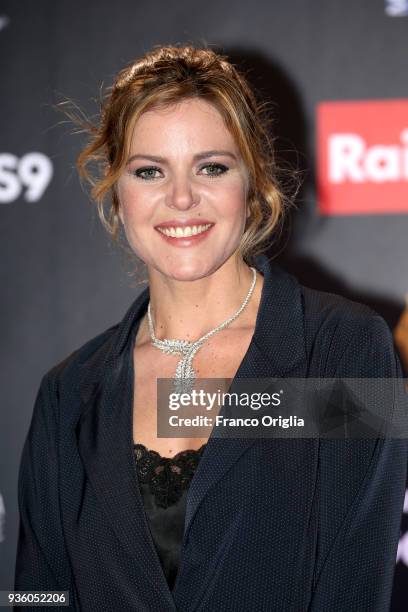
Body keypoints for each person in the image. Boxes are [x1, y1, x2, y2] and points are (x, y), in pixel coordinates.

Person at [14, 45, 407, 612]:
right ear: (117, 193)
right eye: (149, 171)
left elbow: (355, 583)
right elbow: (37, 591)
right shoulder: (70, 393)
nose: (180, 199)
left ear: (253, 182)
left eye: (211, 167)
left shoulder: (345, 350)